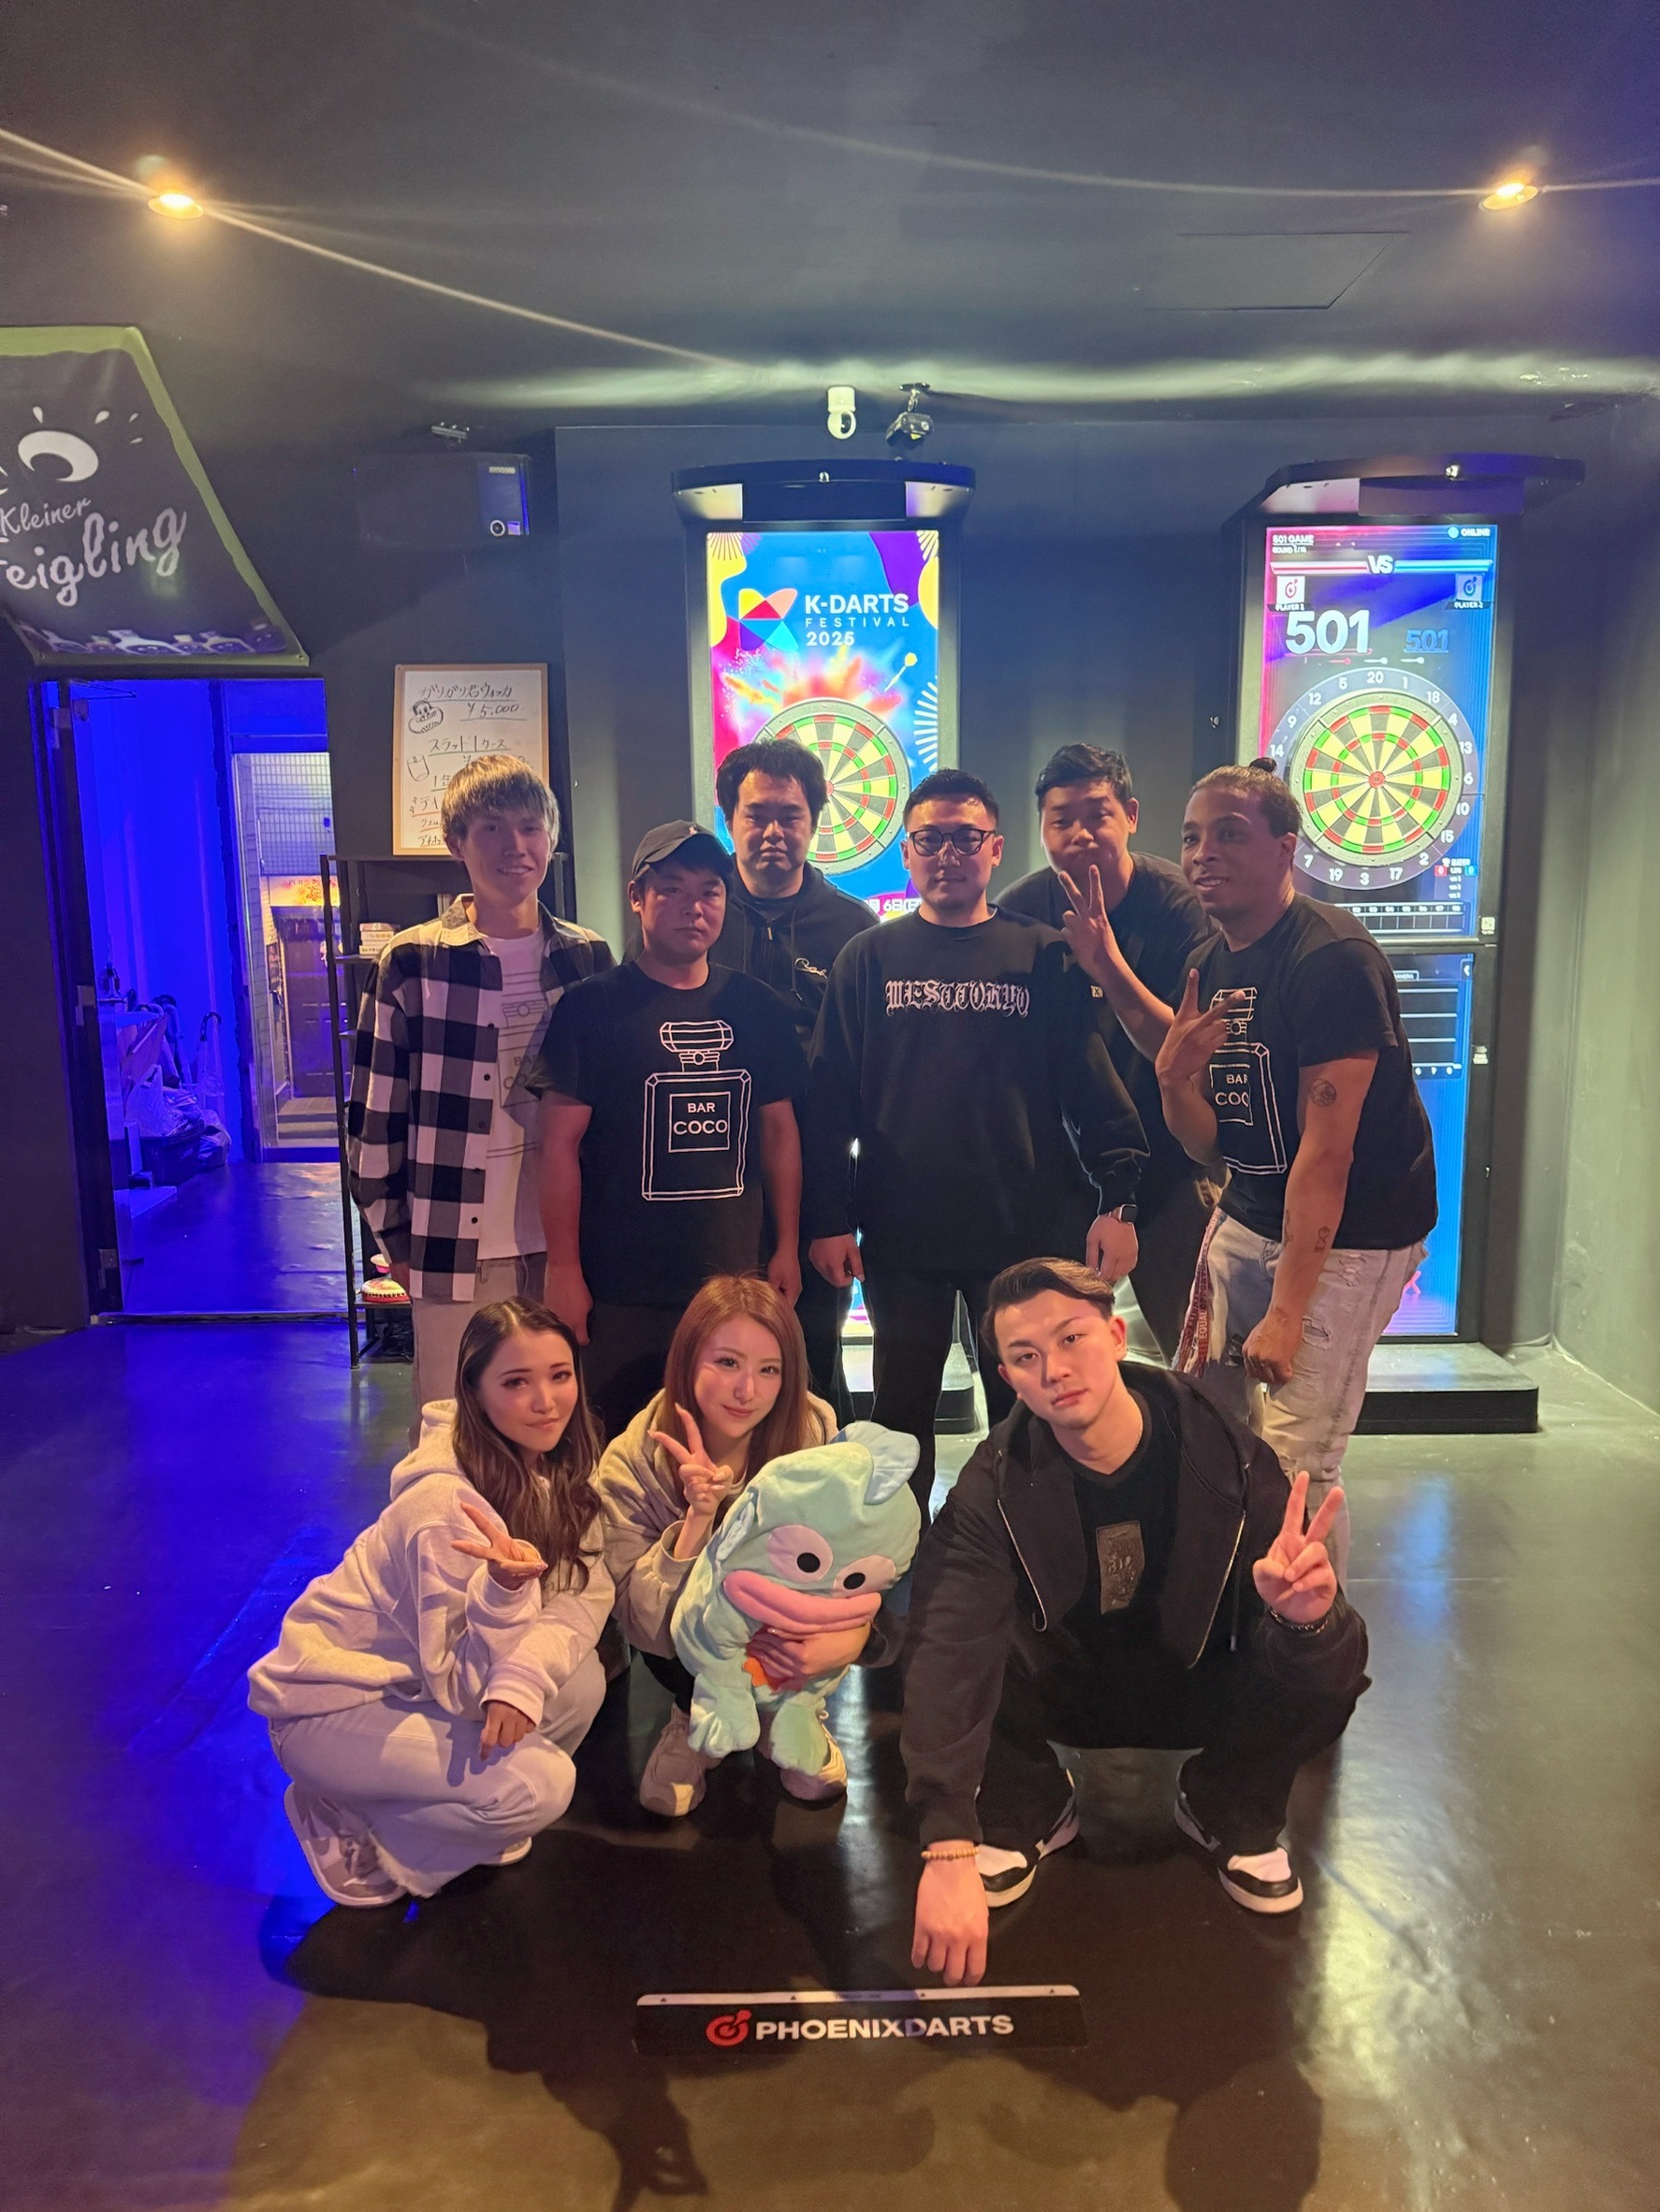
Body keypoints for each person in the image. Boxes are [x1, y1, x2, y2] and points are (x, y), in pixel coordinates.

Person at [903, 1259, 1368, 1987]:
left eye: (1072, 1338)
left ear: (1117, 1337)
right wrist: (947, 1842)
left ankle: (1227, 1805)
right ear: (1009, 1378)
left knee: (1326, 1656)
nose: (1055, 1369)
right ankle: (1026, 1805)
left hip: (1197, 1682)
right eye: (1026, 1356)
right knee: (936, 1628)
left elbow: (1322, 1656)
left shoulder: (1229, 1457)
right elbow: (947, 1646)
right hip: (1062, 1685)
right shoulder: (990, 1486)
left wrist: (1306, 1620)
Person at [805, 767, 1147, 1519]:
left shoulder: (1045, 954)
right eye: (930, 839)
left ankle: (1028, 1555)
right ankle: (897, 1562)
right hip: (902, 1234)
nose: (948, 854)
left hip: (1025, 1232)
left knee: (1028, 1411)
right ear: (906, 852)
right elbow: (829, 1105)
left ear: (996, 849)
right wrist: (827, 1218)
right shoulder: (867, 960)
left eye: (966, 838)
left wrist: (1119, 1201)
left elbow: (1092, 1085)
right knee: (899, 1416)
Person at [1152, 763, 1436, 1580]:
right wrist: (1173, 1080)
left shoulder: (1331, 959)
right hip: (1248, 1210)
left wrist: (1286, 1309)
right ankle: (1220, 1605)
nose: (1203, 853)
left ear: (1286, 847)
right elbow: (1209, 1145)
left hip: (1350, 1236)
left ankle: (1301, 1631)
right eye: (1192, 837)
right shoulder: (1211, 962)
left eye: (1229, 834)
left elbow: (1327, 1151)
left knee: (1295, 1458)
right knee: (1204, 1422)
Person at [248, 1301, 611, 1907]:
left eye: (560, 1375)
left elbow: (584, 1593)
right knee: (538, 1789)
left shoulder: (558, 1469)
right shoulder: (444, 1507)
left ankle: (440, 1820)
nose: (546, 1401)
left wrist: (522, 1676)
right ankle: (345, 1817)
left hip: (410, 1685)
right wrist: (503, 1594)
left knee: (578, 1682)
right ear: (476, 1394)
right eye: (516, 1383)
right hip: (331, 1705)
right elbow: (463, 1690)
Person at [347, 754, 613, 1433]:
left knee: (559, 1428)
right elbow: (373, 1119)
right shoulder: (412, 960)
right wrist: (398, 1245)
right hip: (449, 1245)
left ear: (551, 839)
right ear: (455, 842)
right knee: (455, 1432)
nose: (513, 846)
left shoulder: (587, 957)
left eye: (529, 827)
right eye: (491, 827)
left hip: (568, 1245)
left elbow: (611, 1112)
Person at [529, 822, 807, 1438]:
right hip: (620, 1285)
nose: (693, 907)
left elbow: (780, 1134)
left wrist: (786, 1245)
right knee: (621, 1449)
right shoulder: (590, 1009)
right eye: (673, 889)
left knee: (730, 1443)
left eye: (710, 892)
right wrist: (564, 1269)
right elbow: (558, 1146)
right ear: (637, 895)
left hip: (733, 1281)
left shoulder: (757, 1007)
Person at [595, 1273, 892, 1814]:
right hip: (685, 1649)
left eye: (769, 1369)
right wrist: (697, 1520)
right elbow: (644, 1627)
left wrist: (847, 1640)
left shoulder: (813, 1432)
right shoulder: (633, 1460)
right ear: (688, 1361)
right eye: (727, 1362)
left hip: (784, 1635)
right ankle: (692, 1716)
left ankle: (788, 1713)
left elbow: (858, 1560)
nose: (747, 1391)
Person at [1000, 744, 1216, 1359]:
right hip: (1066, 1177)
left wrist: (1108, 964)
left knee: (1196, 1359)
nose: (1080, 834)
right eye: (1061, 820)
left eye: (1097, 815)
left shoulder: (1180, 907)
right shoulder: (1021, 912)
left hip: (1173, 1167)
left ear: (1131, 815)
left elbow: (1184, 1053)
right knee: (1054, 1356)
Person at [712, 737, 878, 1416]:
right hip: (708, 1180)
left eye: (791, 815)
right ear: (730, 819)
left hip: (817, 1183)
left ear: (814, 821)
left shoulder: (853, 930)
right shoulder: (696, 913)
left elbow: (862, 1076)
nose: (773, 832)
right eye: (756, 816)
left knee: (808, 1366)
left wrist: (834, 1215)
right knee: (715, 1358)